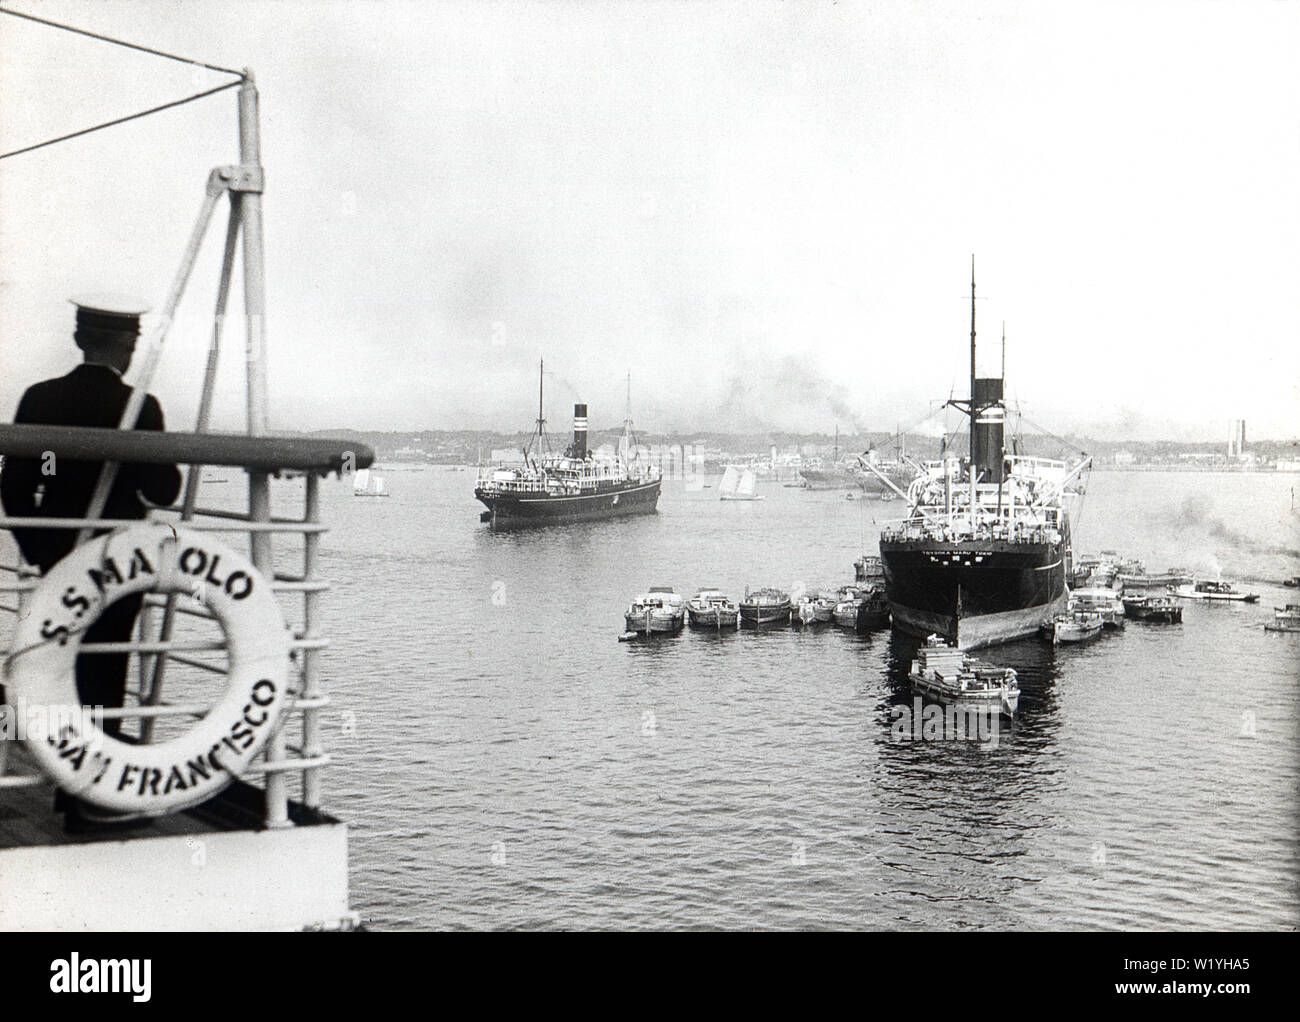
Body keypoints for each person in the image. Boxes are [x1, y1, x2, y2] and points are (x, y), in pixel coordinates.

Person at [0, 297, 181, 823]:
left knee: (58, 671)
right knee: (103, 674)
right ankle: (88, 799)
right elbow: (164, 489)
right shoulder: (139, 407)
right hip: (116, 564)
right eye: (132, 344)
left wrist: (43, 553)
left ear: (80, 341)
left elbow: (17, 487)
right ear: (128, 348)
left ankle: (62, 779)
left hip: (58, 559)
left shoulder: (40, 399)